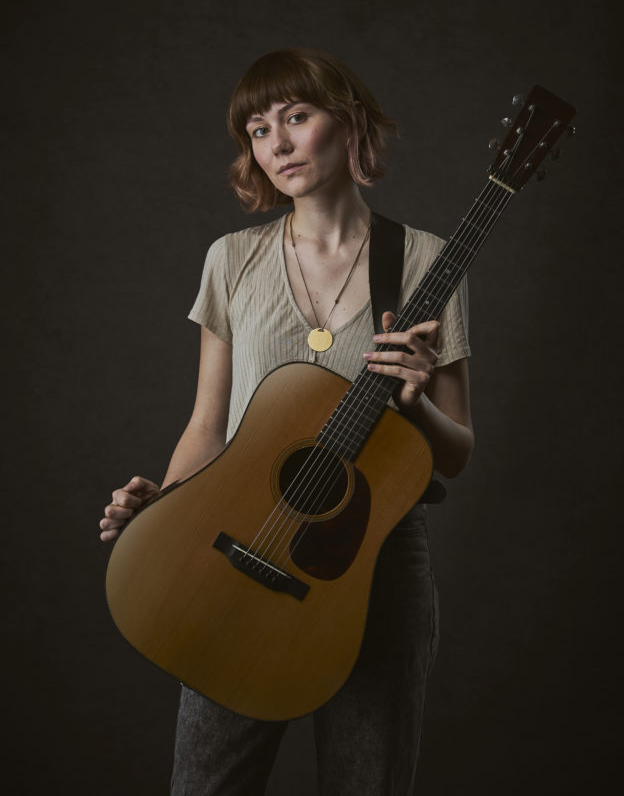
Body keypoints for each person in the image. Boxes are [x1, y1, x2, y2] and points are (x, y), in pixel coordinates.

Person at [100, 48, 474, 796]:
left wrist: (416, 400)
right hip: (237, 545)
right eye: (257, 128)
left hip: (372, 563)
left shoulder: (426, 260)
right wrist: (162, 519)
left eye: (297, 117)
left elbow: (457, 452)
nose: (275, 143)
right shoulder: (231, 260)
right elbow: (208, 425)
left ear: (350, 123)